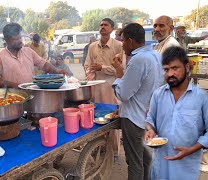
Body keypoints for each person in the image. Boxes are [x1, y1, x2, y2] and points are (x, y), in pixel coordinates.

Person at [145, 46, 208, 180]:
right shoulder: (158, 95)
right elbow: (150, 119)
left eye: (175, 68)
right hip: (160, 165)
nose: (170, 74)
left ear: (187, 67)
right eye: (166, 69)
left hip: (186, 168)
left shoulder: (201, 97)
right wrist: (150, 130)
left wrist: (191, 150)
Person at [112, 23, 164, 180]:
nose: (122, 45)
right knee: (145, 158)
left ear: (130, 41)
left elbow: (124, 94)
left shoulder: (138, 60)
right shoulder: (156, 55)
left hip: (134, 119)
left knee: (135, 162)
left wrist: (119, 75)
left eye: (123, 41)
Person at [84, 18, 122, 163]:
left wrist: (102, 68)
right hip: (96, 89)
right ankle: (98, 149)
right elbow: (87, 64)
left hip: (111, 89)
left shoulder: (118, 46)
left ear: (112, 29)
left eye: (105, 25)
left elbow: (121, 69)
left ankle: (115, 152)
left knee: (112, 120)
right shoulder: (92, 46)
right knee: (96, 121)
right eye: (101, 25)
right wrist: (89, 72)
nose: (102, 27)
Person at [0, 23, 67, 88]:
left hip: (31, 95)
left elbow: (43, 64)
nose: (20, 41)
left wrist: (57, 71)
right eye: (15, 39)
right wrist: (18, 87)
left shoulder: (28, 51)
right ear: (6, 40)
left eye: (20, 38)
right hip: (12, 98)